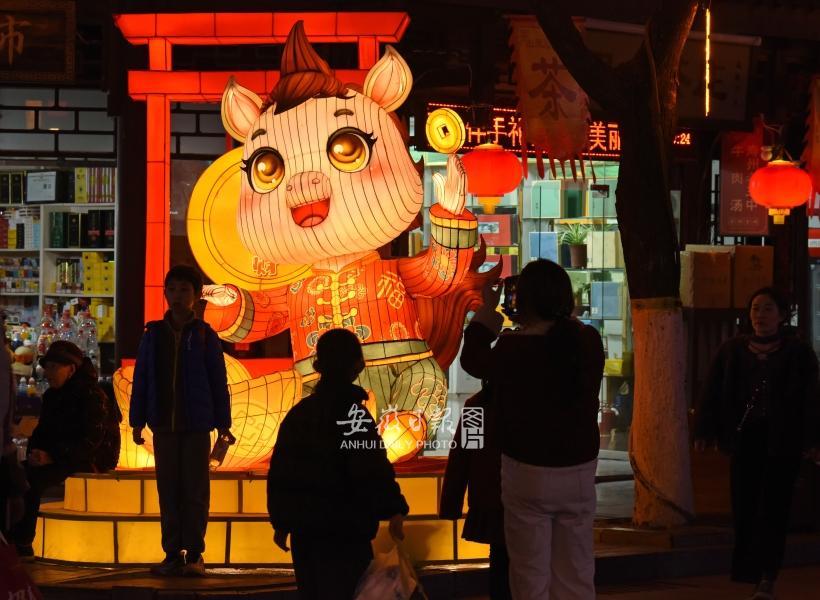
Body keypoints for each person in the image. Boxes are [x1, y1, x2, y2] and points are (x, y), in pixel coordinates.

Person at [461, 259, 604, 600]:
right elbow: (563, 337)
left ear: (523, 302)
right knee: (576, 572)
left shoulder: (513, 348)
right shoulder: (587, 341)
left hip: (526, 472)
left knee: (529, 574)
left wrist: (487, 314)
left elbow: (472, 360)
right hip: (579, 470)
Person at [694, 287, 819, 600]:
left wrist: (812, 439)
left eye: (767, 309)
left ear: (782, 315)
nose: (760, 315)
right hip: (744, 440)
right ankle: (750, 571)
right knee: (745, 505)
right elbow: (712, 391)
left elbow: (811, 399)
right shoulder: (732, 350)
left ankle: (767, 576)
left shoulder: (798, 353)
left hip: (783, 441)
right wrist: (704, 431)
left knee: (775, 507)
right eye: (755, 309)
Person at [267, 328, 409, 600]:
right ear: (357, 366)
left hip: (306, 533)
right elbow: (372, 468)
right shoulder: (355, 416)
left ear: (318, 365)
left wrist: (282, 522)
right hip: (347, 531)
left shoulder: (299, 414)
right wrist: (394, 508)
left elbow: (282, 472)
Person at [130, 265, 234, 577]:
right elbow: (141, 378)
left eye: (184, 290)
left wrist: (223, 424)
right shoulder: (152, 335)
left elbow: (218, 381)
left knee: (195, 491)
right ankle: (172, 553)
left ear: (197, 295)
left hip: (197, 426)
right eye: (172, 289)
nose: (177, 295)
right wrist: (137, 421)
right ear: (165, 294)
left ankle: (195, 554)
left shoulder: (205, 335)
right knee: (169, 491)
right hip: (163, 424)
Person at [8, 340, 119, 557]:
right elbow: (42, 432)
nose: (48, 372)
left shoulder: (91, 395)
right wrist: (35, 453)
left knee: (32, 481)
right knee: (14, 474)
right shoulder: (53, 395)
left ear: (71, 369)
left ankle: (22, 543)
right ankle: (11, 539)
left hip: (90, 458)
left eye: (54, 367)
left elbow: (92, 440)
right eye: (47, 367)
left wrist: (52, 456)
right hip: (60, 455)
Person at [439, 384, 510, 599]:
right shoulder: (535, 403)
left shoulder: (479, 406)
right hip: (530, 497)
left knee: (499, 560)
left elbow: (464, 458)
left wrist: (451, 504)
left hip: (491, 498)